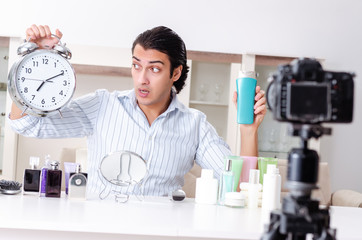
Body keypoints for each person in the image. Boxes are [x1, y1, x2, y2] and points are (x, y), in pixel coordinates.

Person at [9, 24, 267, 198]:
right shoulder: (103, 106)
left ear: (175, 72)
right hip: (102, 230)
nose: (142, 78)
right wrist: (30, 61)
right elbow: (27, 125)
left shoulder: (195, 125)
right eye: (136, 65)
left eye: (154, 69)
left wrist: (248, 131)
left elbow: (240, 186)